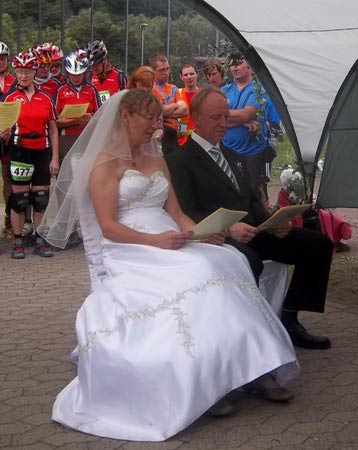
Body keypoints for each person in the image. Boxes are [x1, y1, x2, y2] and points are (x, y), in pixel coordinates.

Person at [39, 89, 298, 441]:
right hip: (131, 246)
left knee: (229, 260)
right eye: (149, 119)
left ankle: (253, 368)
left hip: (171, 237)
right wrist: (156, 242)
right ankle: (206, 384)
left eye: (157, 119)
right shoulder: (104, 164)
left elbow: (176, 214)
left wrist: (200, 234)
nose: (155, 126)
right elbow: (108, 227)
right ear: (125, 117)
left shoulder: (157, 160)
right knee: (196, 273)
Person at [166, 87, 334, 350]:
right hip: (218, 237)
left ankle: (289, 319)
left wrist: (274, 221)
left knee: (318, 245)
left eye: (226, 117)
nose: (223, 123)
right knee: (249, 261)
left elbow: (252, 198)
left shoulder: (232, 154)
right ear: (196, 118)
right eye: (216, 118)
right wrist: (228, 228)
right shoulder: (179, 160)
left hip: (255, 230)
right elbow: (187, 210)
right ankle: (249, 338)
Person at [1, 50, 59, 259]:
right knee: (20, 198)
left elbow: (53, 129)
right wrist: (5, 135)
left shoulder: (45, 98)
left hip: (42, 150)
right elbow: (5, 128)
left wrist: (54, 157)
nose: (23, 75)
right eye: (19, 71)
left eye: (27, 71)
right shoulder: (10, 98)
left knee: (41, 198)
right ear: (15, 72)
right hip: (20, 150)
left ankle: (40, 239)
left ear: (35, 72)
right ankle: (17, 241)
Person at [221, 57, 273, 205]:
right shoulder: (224, 90)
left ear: (248, 65)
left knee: (257, 192)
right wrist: (244, 122)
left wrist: (228, 115)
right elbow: (216, 119)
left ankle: (263, 218)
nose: (234, 68)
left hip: (253, 151)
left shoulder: (258, 89)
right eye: (232, 65)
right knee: (233, 191)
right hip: (228, 150)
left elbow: (246, 114)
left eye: (238, 64)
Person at [54, 52, 100, 162]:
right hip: (66, 138)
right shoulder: (60, 90)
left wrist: (91, 119)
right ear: (67, 74)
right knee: (66, 169)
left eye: (79, 74)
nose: (76, 78)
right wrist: (76, 121)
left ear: (85, 73)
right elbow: (53, 121)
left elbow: (99, 115)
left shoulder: (92, 90)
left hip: (87, 137)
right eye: (72, 75)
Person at [0, 41, 15, 231]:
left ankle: (10, 215)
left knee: (9, 178)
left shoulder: (15, 81)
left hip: (9, 137)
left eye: (3, 58)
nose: (0, 62)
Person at [86, 40, 127, 106]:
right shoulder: (89, 77)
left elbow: (128, 100)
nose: (94, 68)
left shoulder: (119, 76)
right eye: (92, 65)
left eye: (97, 64)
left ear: (104, 61)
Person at [177, 63, 201, 146]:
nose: (189, 77)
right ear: (181, 77)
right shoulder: (177, 94)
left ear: (197, 74)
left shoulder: (203, 95)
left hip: (199, 141)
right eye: (185, 75)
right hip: (181, 142)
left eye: (191, 74)